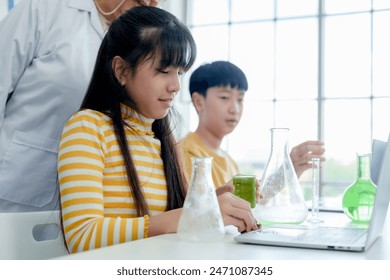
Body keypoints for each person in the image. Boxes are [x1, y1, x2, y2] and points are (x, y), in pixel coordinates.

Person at [57, 6, 259, 253]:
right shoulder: (88, 128)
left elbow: (175, 220)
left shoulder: (162, 139)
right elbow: (82, 236)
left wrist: (211, 205)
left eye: (179, 73)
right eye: (163, 71)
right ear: (121, 70)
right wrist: (185, 217)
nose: (175, 85)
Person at [0, 0, 159, 212]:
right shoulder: (43, 9)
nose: (154, 2)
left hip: (94, 197)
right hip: (21, 181)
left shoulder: (139, 38)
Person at [180, 61, 325, 189]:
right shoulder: (186, 154)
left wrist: (289, 169)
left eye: (240, 99)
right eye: (224, 98)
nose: (235, 109)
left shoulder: (229, 161)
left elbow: (250, 205)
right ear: (199, 102)